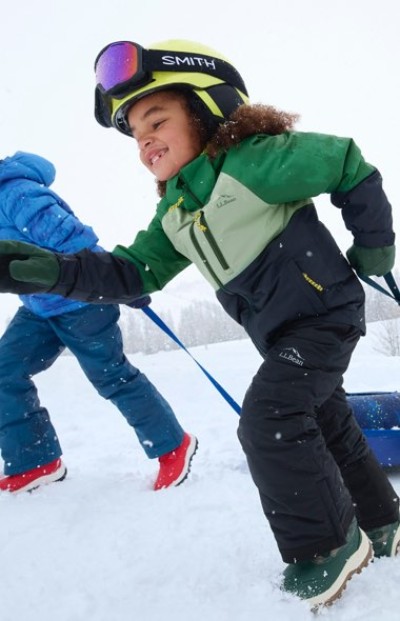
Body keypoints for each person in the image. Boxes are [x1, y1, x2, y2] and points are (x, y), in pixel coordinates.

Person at [0, 39, 398, 608]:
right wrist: (51, 272)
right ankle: (384, 522)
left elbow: (347, 164)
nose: (146, 142)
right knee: (328, 417)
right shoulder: (177, 212)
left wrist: (375, 248)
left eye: (157, 120)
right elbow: (132, 272)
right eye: (137, 135)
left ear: (206, 111)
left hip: (324, 314)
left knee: (273, 417)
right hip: (278, 333)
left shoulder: (255, 161)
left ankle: (329, 546)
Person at [0, 151, 198, 494]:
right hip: (39, 307)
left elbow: (75, 240)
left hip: (82, 300)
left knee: (111, 377)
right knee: (3, 372)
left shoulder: (17, 193)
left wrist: (117, 283)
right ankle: (36, 461)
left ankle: (173, 445)